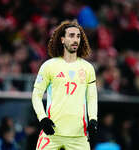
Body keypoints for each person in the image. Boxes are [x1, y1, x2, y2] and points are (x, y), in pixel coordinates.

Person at [31, 20, 98, 150]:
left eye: (78, 36)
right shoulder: (49, 66)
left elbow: (92, 97)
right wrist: (43, 119)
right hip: (52, 133)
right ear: (62, 39)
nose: (76, 40)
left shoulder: (88, 68)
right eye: (71, 36)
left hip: (78, 136)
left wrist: (93, 119)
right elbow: (36, 95)